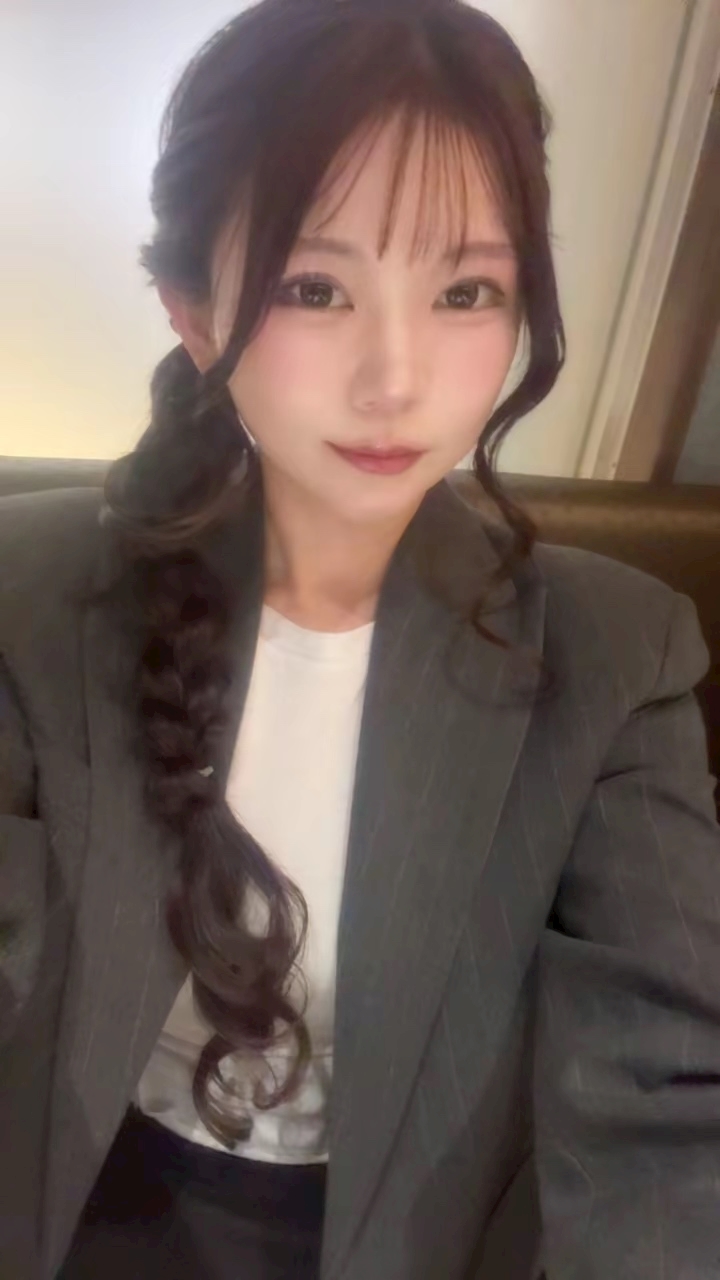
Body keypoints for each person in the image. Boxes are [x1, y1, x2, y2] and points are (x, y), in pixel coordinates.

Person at [1, 0, 720, 1276]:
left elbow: (667, 1106)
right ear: (194, 311)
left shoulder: (617, 657)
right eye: (316, 286)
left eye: (465, 290)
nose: (397, 378)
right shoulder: (29, 592)